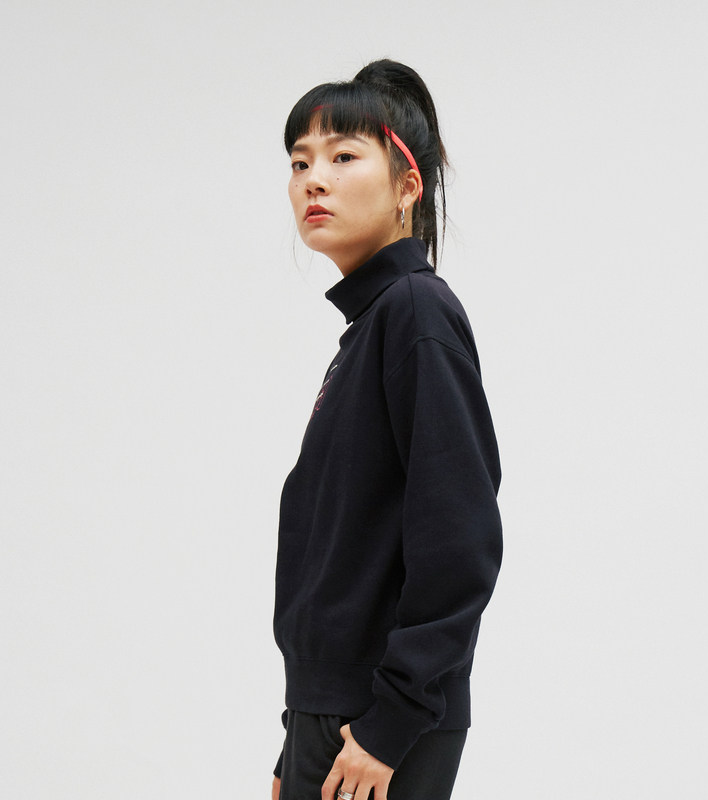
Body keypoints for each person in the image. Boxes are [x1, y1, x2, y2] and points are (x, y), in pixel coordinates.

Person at [272, 59, 502, 800]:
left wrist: (389, 725)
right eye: (300, 162)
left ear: (408, 186)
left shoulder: (414, 313)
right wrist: (294, 734)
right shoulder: (372, 327)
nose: (314, 180)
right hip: (336, 714)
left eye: (343, 156)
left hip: (374, 723)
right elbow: (344, 549)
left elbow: (460, 537)